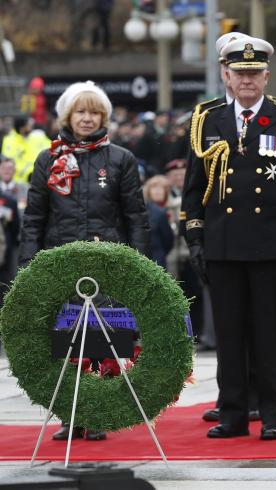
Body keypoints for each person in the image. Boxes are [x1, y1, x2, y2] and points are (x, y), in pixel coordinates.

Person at [180, 36, 276, 441]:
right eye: (239, 73)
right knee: (229, 334)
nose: (247, 80)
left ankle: (273, 414)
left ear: (266, 75)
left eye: (254, 73)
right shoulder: (207, 120)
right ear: (226, 74)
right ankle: (233, 414)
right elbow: (195, 186)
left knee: (272, 334)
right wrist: (194, 238)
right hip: (223, 245)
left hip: (273, 246)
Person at [20, 81, 149, 441]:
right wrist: (29, 265)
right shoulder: (49, 159)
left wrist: (139, 264)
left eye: (94, 112)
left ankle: (100, 412)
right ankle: (70, 415)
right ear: (68, 116)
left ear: (104, 116)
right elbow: (34, 218)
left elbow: (136, 217)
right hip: (60, 262)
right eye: (81, 112)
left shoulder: (121, 158)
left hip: (108, 261)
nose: (88, 118)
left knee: (106, 336)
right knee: (66, 337)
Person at [142, 175, 174, 268]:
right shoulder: (146, 210)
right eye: (154, 188)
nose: (157, 191)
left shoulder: (177, 207)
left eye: (161, 188)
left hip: (177, 257)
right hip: (154, 258)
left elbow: (169, 239)